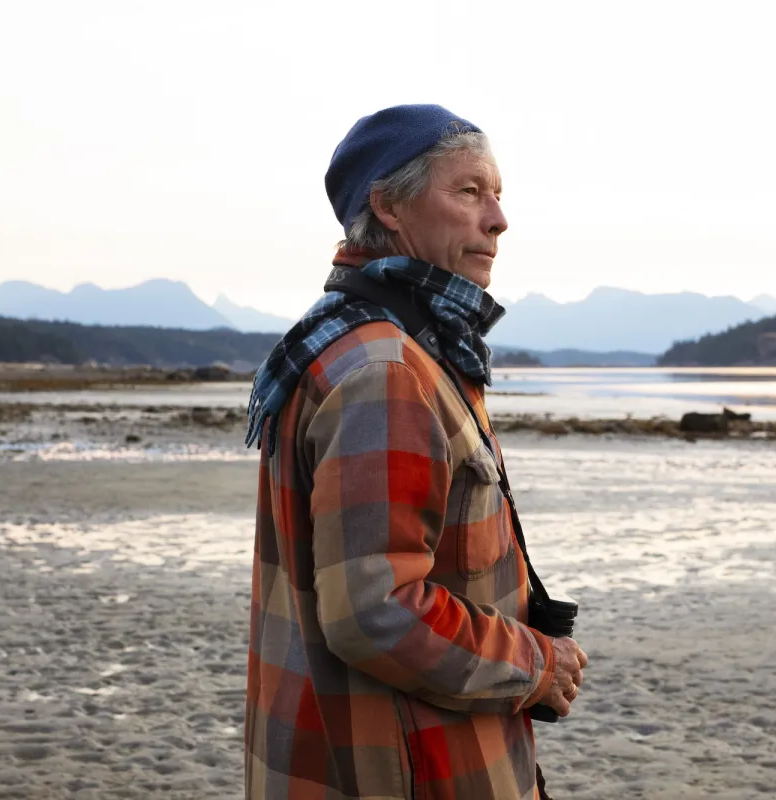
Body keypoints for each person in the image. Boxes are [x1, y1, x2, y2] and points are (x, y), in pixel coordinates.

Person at [244, 104, 588, 800]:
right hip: (407, 770)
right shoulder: (386, 368)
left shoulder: (382, 343)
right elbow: (377, 610)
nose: (497, 219)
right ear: (390, 205)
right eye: (469, 192)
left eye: (497, 195)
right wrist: (536, 662)